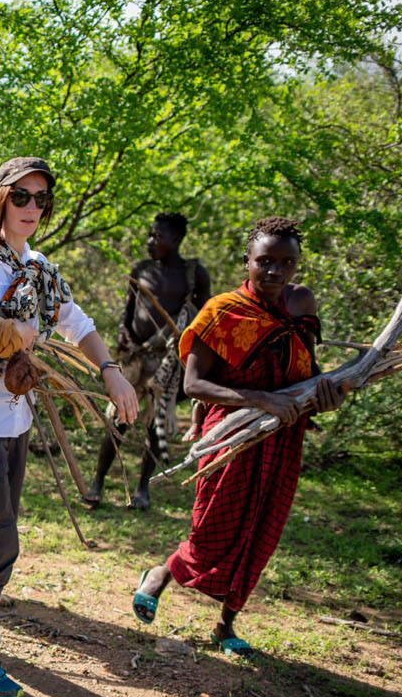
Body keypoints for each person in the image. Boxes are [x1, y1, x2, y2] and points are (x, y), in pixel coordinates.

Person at [0, 157, 139, 697]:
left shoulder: (40, 268)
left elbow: (78, 324)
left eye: (42, 199)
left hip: (16, 422)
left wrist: (111, 373)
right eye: (22, 197)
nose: (33, 209)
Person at [132, 217, 346, 658]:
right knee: (213, 526)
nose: (275, 272)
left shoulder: (302, 303)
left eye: (286, 263)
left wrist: (326, 396)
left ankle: (225, 625)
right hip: (232, 432)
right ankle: (162, 572)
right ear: (246, 262)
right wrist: (260, 399)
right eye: (265, 261)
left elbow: (308, 372)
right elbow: (194, 385)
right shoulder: (222, 312)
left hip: (284, 436)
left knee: (262, 532)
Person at [84, 213, 211, 510]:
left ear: (176, 240)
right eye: (150, 234)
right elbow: (127, 312)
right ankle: (97, 483)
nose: (150, 241)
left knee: (157, 426)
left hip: (167, 361)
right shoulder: (140, 270)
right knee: (118, 420)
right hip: (135, 358)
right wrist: (123, 340)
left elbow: (206, 318)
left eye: (158, 236)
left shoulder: (193, 274)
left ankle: (142, 489)